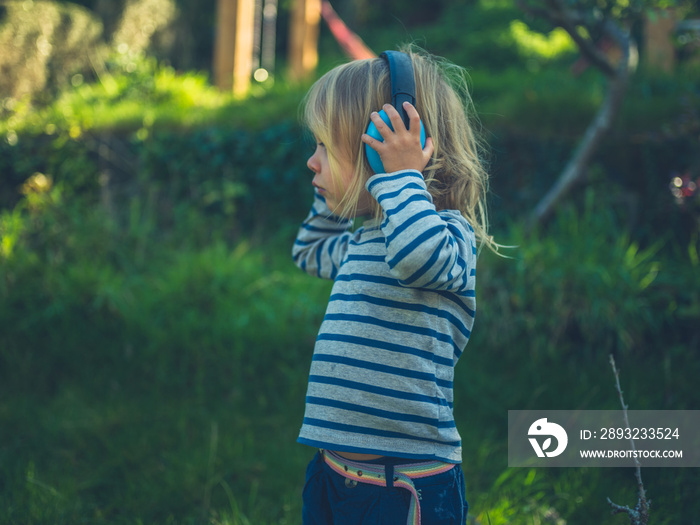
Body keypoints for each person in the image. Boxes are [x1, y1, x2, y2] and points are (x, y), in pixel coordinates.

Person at [292, 45, 497, 525]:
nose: (311, 162)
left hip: (404, 490)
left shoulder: (448, 235)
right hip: (333, 474)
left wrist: (402, 177)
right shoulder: (364, 241)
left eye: (325, 147)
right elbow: (308, 253)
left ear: (383, 153)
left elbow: (416, 259)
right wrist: (335, 191)